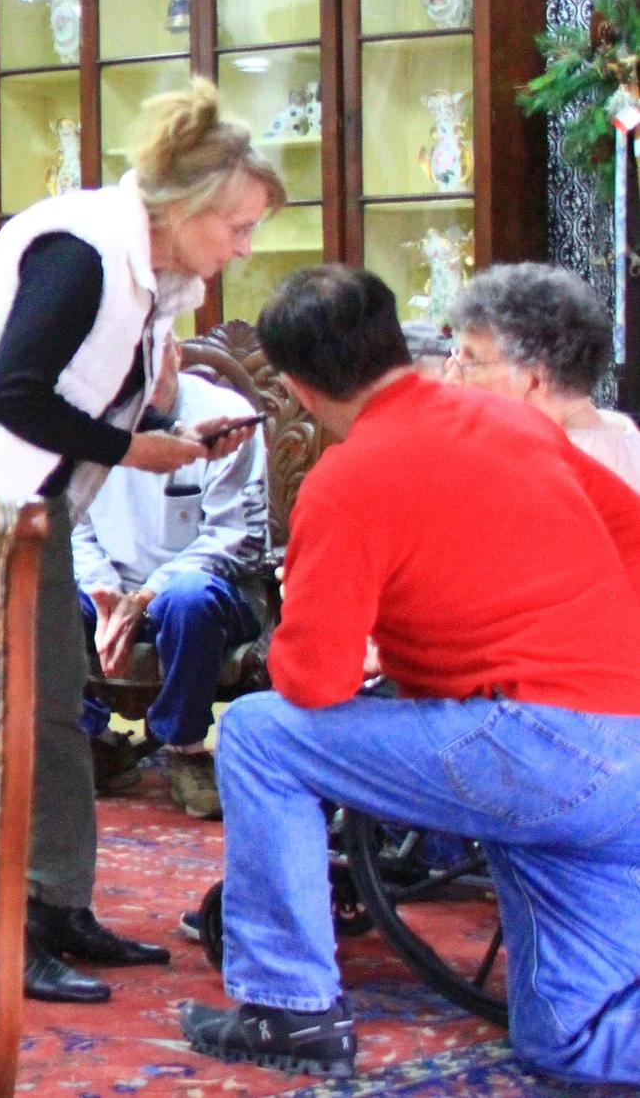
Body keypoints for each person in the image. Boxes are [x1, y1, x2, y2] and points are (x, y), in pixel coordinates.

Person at [0, 80, 279, 1004]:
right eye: (238, 225)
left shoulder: (147, 268)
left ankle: (57, 906)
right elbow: (15, 394)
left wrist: (168, 425)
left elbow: (99, 395)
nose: (245, 246)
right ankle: (7, 930)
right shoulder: (84, 250)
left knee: (52, 707)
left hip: (29, 505)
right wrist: (134, 449)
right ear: (188, 204)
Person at [184, 265, 640, 1083]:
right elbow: (632, 536)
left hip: (532, 747)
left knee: (258, 733)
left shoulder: (346, 482)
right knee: (569, 1040)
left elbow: (314, 683)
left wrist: (315, 615)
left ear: (295, 386)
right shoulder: (514, 423)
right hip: (622, 746)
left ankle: (290, 1009)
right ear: (401, 342)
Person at [73, 366, 268, 819]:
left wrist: (146, 596)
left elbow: (232, 538)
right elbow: (75, 524)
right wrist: (105, 591)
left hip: (208, 585)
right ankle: (93, 739)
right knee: (44, 598)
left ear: (173, 351)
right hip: (110, 580)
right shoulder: (86, 417)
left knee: (187, 599)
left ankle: (185, 746)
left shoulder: (224, 418)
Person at [449, 263, 640, 490]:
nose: (452, 378)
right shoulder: (622, 436)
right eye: (456, 355)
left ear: (534, 380)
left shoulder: (546, 474)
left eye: (471, 360)